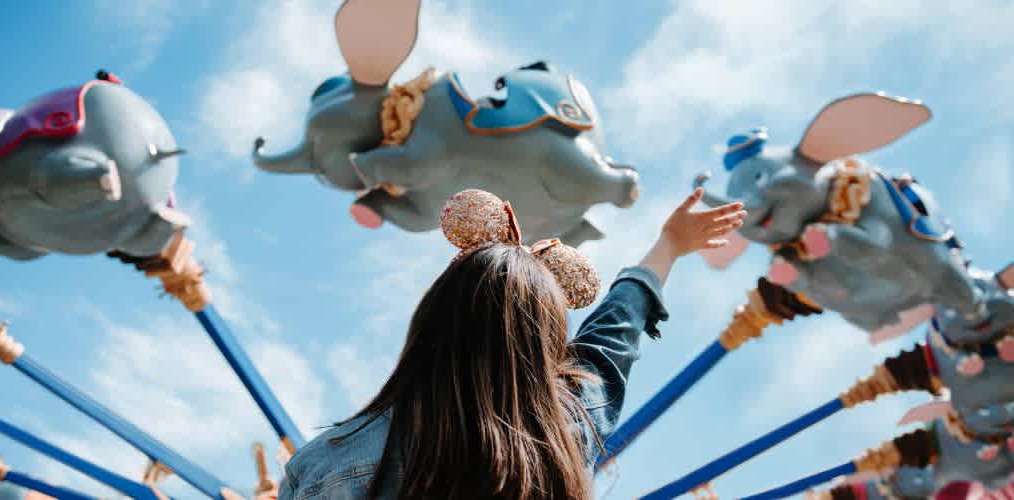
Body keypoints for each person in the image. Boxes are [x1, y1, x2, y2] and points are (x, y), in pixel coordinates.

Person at [279, 188, 746, 500]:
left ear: (431, 322)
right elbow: (610, 340)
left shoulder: (330, 460)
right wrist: (666, 247)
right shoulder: (560, 430)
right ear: (545, 343)